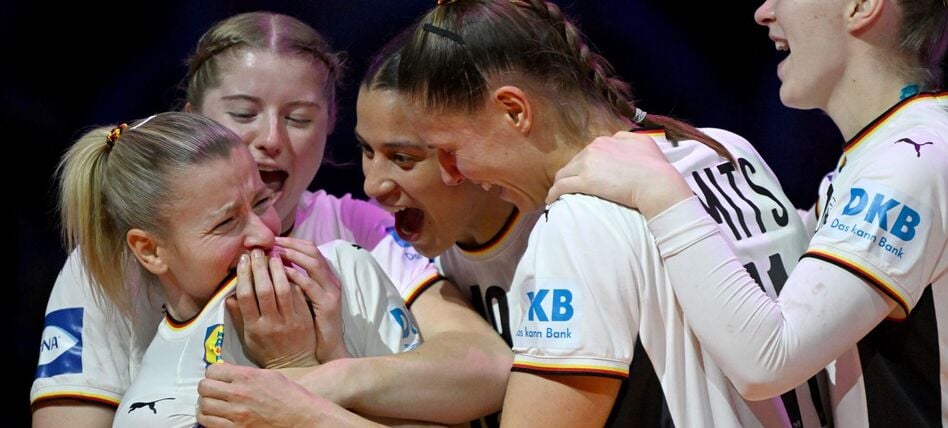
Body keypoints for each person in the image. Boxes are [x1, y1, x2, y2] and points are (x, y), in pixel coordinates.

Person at [31, 11, 510, 427]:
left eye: (299, 119)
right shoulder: (106, 263)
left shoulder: (362, 234)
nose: (270, 139)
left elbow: (486, 367)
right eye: (243, 113)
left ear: (330, 127)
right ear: (193, 117)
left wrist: (313, 375)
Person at [548, 0, 948, 426]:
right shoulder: (905, 148)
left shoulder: (912, 162)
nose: (764, 13)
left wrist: (658, 191)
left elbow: (768, 360)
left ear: (861, 6)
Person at [388, 0, 832, 426]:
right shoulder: (724, 148)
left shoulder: (579, 221)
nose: (450, 175)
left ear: (514, 111)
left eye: (450, 150)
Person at [196, 34, 674, 428]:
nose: (373, 185)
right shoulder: (414, 236)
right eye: (366, 150)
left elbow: (486, 367)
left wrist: (308, 393)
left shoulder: (579, 224)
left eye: (405, 157)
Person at [54, 112, 418, 427]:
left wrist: (334, 356)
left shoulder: (348, 269)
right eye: (226, 223)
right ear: (150, 251)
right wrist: (291, 363)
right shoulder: (156, 409)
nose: (264, 234)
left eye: (262, 201)